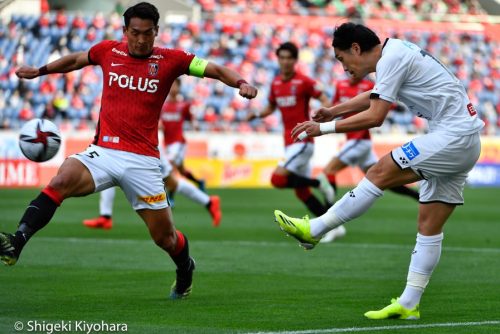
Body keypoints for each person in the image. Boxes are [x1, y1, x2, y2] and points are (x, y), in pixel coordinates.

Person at [1, 2, 257, 300]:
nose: (141, 40)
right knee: (61, 180)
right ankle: (17, 242)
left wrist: (240, 82)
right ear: (125, 31)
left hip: (143, 161)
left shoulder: (172, 60)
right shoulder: (108, 51)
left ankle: (185, 268)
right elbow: (75, 60)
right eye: (135, 33)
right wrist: (39, 71)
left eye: (147, 34)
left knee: (165, 238)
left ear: (156, 32)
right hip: (104, 151)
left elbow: (213, 68)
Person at [274, 22, 483, 319]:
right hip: (462, 138)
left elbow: (375, 115)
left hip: (454, 135)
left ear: (356, 49)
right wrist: (335, 110)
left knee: (379, 171)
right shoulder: (394, 53)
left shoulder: (392, 57)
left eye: (342, 59)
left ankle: (315, 229)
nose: (343, 67)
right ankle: (410, 304)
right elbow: (377, 95)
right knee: (429, 225)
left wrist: (322, 128)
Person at [83, 79, 220, 229]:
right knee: (108, 169)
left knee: (172, 183)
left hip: (146, 147)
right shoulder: (141, 95)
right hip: (128, 145)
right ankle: (105, 216)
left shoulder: (152, 92)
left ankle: (208, 202)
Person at [320, 75, 419, 243]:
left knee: (326, 173)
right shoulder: (340, 84)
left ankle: (333, 226)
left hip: (358, 140)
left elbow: (385, 102)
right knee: (382, 179)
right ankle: (419, 196)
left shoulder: (368, 85)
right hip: (357, 143)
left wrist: (396, 108)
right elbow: (335, 107)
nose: (349, 69)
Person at [246, 42, 335, 219]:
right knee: (301, 192)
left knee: (277, 180)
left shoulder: (304, 81)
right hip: (288, 142)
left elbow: (325, 99)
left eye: (289, 58)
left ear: (295, 60)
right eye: (282, 58)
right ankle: (333, 225)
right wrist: (256, 113)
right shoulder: (276, 83)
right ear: (277, 59)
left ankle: (319, 182)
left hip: (302, 140)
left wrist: (322, 112)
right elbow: (270, 108)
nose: (285, 62)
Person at [160, 78, 205, 191]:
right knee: (181, 171)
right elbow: (158, 121)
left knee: (169, 165)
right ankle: (199, 182)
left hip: (178, 142)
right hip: (168, 142)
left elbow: (191, 118)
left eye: (175, 85)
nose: (173, 88)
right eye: (171, 85)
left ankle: (170, 196)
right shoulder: (163, 106)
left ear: (179, 88)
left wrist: (195, 125)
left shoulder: (183, 105)